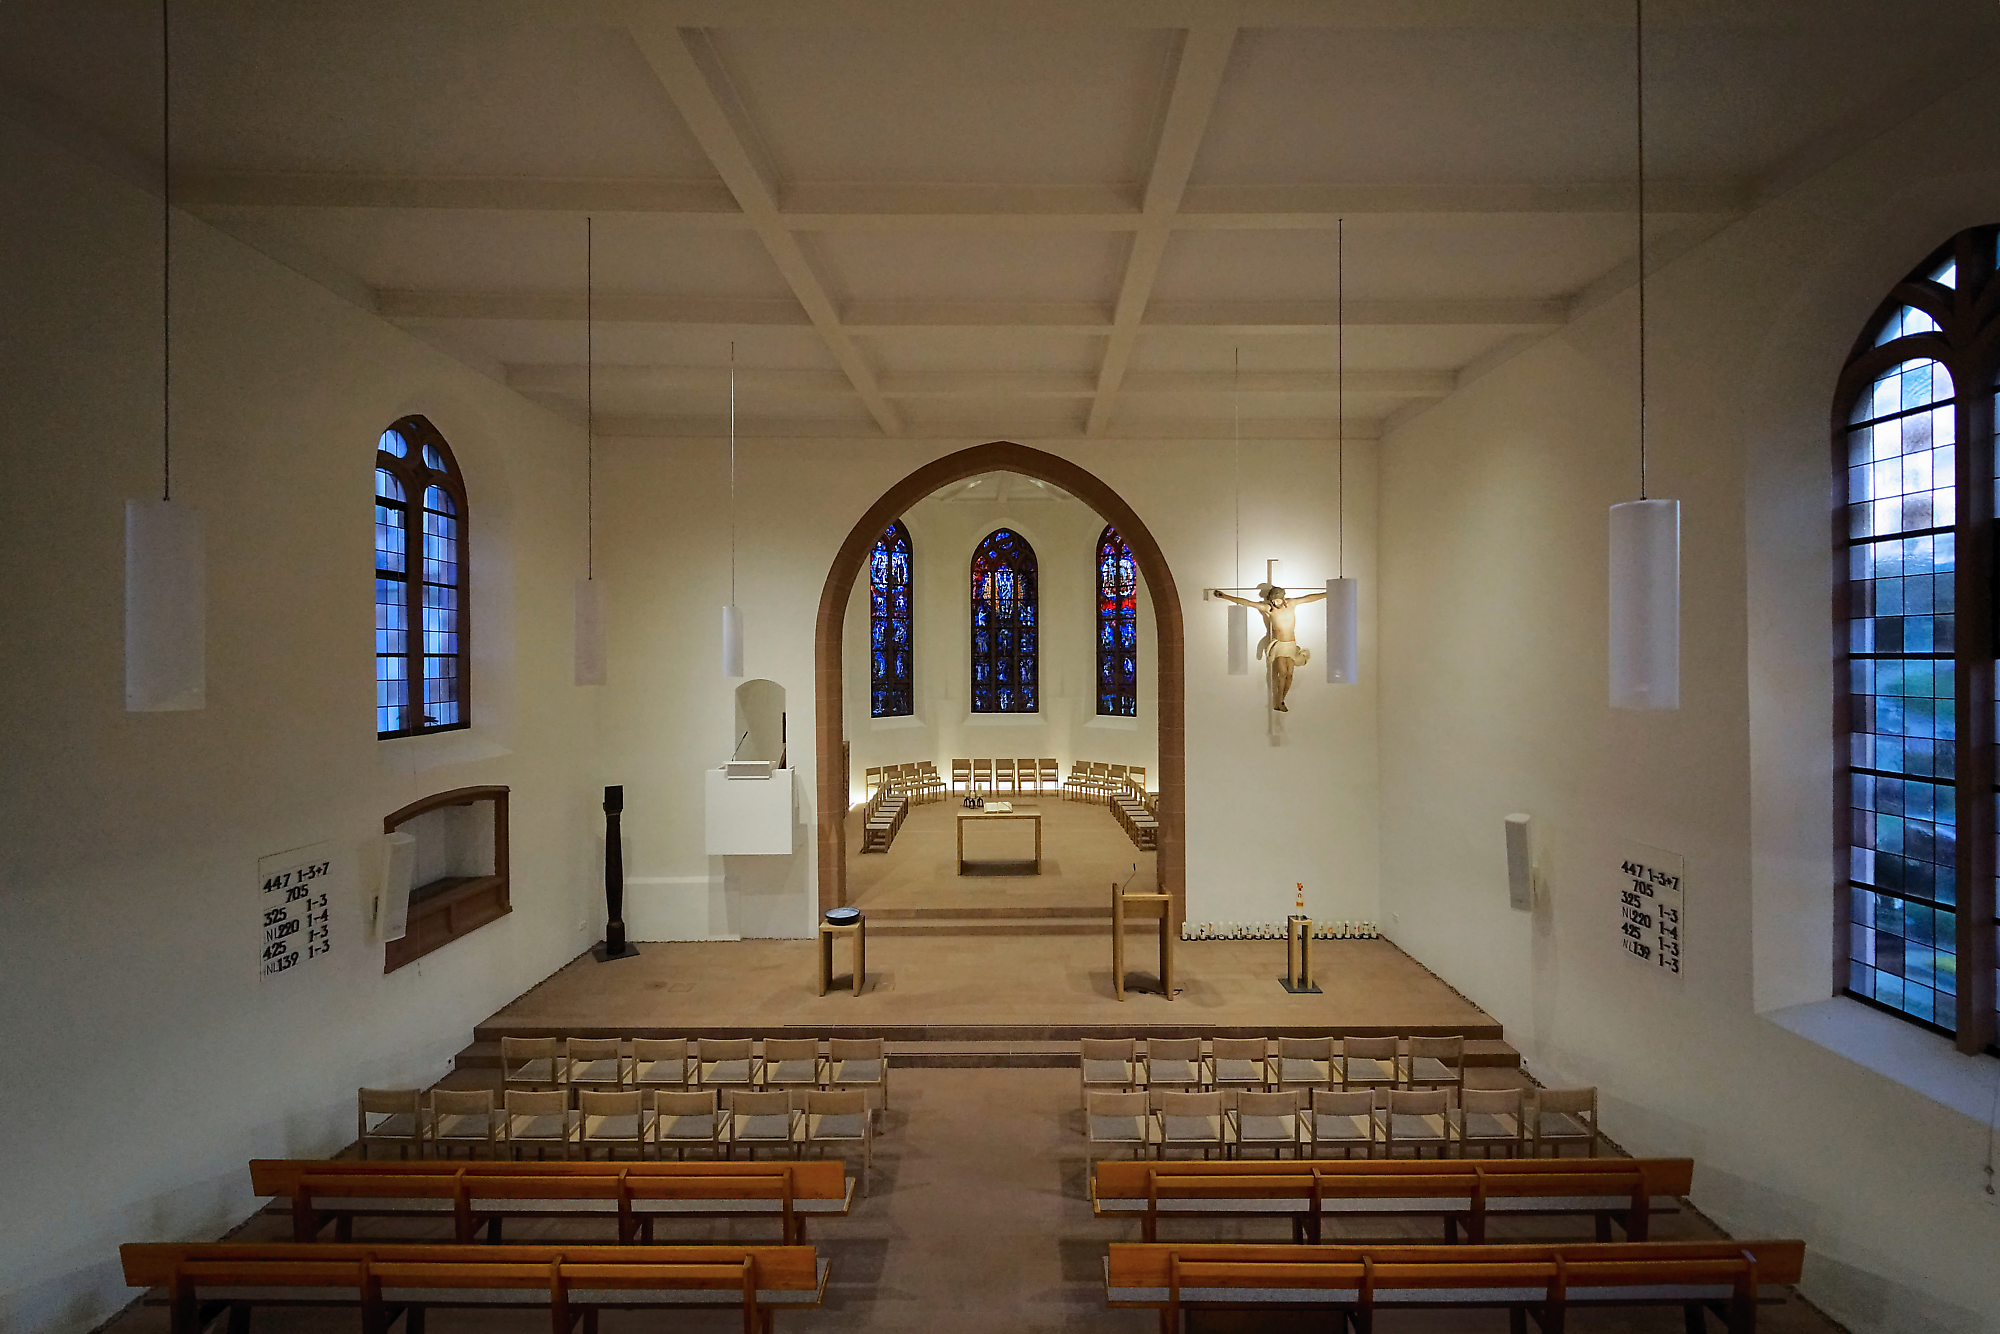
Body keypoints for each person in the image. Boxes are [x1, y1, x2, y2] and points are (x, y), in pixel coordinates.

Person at [1210, 583, 1328, 711]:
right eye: (1273, 601)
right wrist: (1225, 596)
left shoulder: (1292, 604)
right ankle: (1279, 700)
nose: (1275, 603)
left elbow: (1309, 598)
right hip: (1280, 645)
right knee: (1282, 672)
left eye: (1277, 600)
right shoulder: (1269, 609)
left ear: (1283, 598)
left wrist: (1327, 594)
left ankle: (1282, 699)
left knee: (1290, 674)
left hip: (1291, 644)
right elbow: (1248, 603)